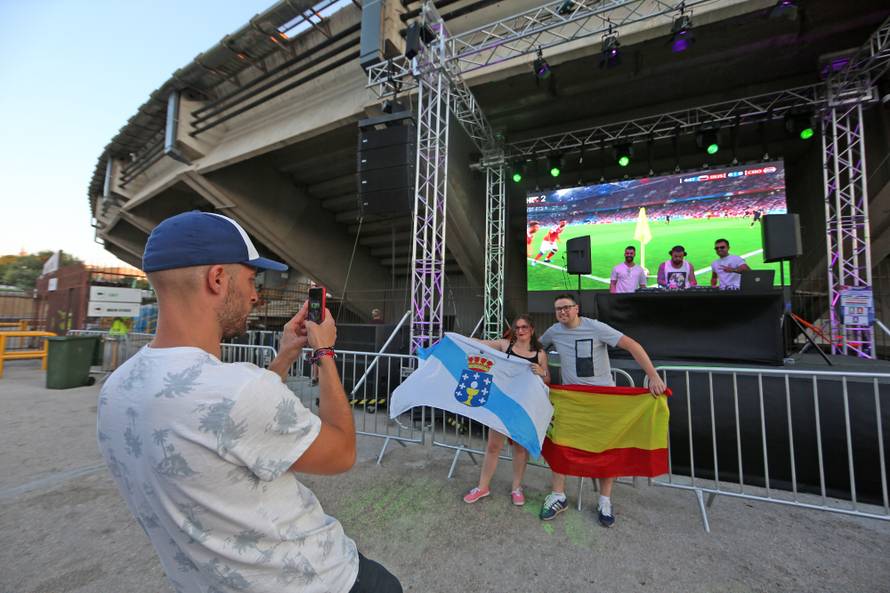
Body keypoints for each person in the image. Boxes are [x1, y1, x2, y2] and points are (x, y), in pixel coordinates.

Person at [96, 211, 401, 593]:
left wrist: (286, 354)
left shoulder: (117, 388)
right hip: (319, 582)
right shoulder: (237, 390)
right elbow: (342, 452)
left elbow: (233, 425)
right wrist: (324, 352)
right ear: (218, 279)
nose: (256, 294)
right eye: (252, 278)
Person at [538, 294, 666, 528]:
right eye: (558, 309)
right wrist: (539, 366)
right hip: (573, 400)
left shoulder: (596, 327)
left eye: (566, 307)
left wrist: (653, 375)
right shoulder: (554, 331)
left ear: (577, 309)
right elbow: (536, 348)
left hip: (603, 401)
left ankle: (605, 501)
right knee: (560, 445)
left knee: (607, 450)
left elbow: (632, 345)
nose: (562, 312)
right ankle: (558, 495)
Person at [462, 315, 550, 507]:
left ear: (532, 329)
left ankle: (516, 488)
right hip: (502, 405)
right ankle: (483, 487)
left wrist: (542, 372)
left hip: (523, 407)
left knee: (519, 448)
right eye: (517, 327)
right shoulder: (504, 345)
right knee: (493, 446)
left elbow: (547, 379)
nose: (520, 330)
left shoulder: (540, 354)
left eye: (525, 327)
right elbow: (481, 343)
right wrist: (458, 339)